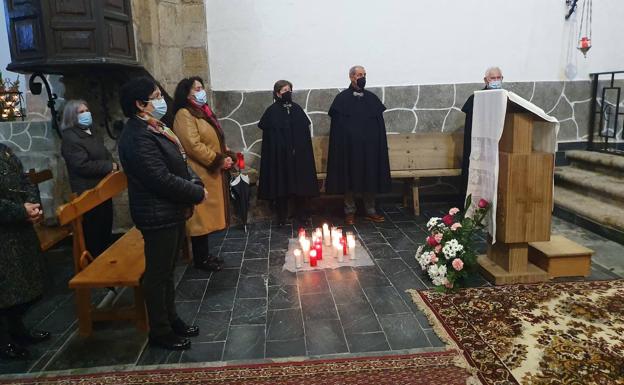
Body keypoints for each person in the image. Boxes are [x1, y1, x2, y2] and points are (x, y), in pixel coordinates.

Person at [118, 77, 206, 350]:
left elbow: (180, 161)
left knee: (167, 271)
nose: (161, 101)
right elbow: (159, 178)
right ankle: (160, 332)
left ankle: (172, 320)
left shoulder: (156, 127)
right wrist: (195, 192)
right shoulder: (136, 136)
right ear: (140, 104)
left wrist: (196, 182)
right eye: (155, 96)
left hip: (171, 210)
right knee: (157, 275)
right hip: (157, 214)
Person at [173, 77, 236, 272]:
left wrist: (226, 153)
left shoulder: (202, 112)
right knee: (200, 218)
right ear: (187, 93)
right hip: (200, 172)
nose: (202, 91)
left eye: (202, 87)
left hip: (211, 171)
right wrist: (218, 160)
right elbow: (193, 145)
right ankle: (200, 259)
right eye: (197, 88)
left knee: (206, 218)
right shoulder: (184, 114)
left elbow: (213, 137)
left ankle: (205, 255)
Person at [0, 143, 49, 360]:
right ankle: (4, 342)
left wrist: (33, 204)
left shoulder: (4, 149)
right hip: (4, 232)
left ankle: (18, 330)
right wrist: (21, 210)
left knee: (23, 286)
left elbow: (25, 179)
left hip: (19, 230)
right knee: (5, 290)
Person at [326, 65, 391, 225]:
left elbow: (378, 126)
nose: (362, 77)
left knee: (370, 175)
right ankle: (350, 211)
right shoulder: (341, 99)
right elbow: (338, 128)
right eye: (359, 74)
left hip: (369, 149)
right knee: (349, 177)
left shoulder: (372, 98)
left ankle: (370, 210)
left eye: (364, 74)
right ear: (351, 77)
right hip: (349, 148)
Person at [60, 100, 117, 257]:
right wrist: (108, 166)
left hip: (102, 189)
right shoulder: (71, 138)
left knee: (105, 230)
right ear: (72, 117)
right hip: (87, 192)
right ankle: (95, 271)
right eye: (81, 112)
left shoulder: (90, 133)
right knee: (94, 235)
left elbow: (105, 153)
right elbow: (81, 165)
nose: (86, 114)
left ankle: (106, 267)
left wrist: (112, 164)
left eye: (87, 110)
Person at [258, 80, 319, 225]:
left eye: (289, 90)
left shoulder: (297, 109)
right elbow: (270, 139)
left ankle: (301, 214)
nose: (288, 93)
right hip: (280, 158)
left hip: (297, 157)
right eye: (284, 90)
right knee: (281, 185)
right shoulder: (271, 111)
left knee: (300, 185)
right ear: (278, 93)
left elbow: (303, 133)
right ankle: (281, 216)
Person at [460, 67, 504, 199]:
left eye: (498, 78)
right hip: (480, 147)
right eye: (492, 78)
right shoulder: (476, 98)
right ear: (486, 80)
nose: (496, 80)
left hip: (498, 146)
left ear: (502, 79)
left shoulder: (506, 98)